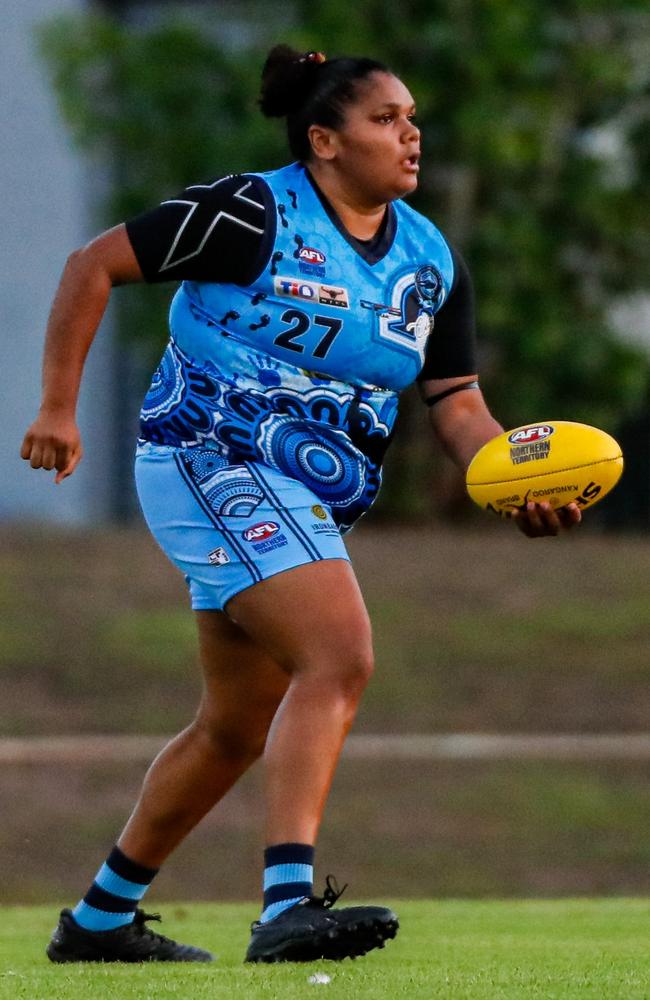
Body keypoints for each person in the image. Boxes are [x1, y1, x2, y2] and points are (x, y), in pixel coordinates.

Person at [21, 44, 581, 965]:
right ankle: (287, 900)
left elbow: (459, 404)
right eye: (385, 119)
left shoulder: (429, 258)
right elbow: (93, 267)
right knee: (340, 655)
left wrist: (511, 479)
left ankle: (100, 919)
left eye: (412, 118)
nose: (411, 134)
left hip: (300, 496)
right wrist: (56, 407)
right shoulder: (252, 212)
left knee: (235, 726)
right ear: (323, 139)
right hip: (207, 457)